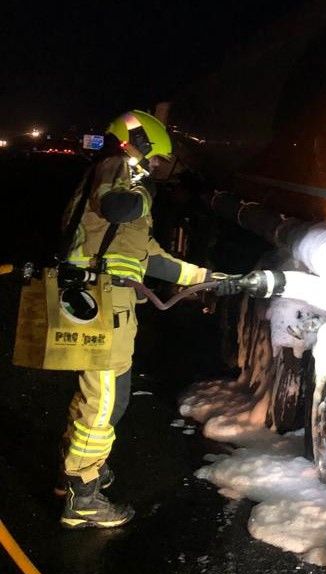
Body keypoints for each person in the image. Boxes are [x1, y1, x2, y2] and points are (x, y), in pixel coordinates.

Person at [56, 110, 239, 528]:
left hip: (112, 304)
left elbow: (150, 257)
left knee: (107, 398)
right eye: (154, 159)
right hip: (99, 302)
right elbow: (119, 206)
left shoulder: (124, 184)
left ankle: (81, 474)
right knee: (101, 403)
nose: (157, 169)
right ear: (138, 143)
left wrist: (207, 278)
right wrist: (141, 181)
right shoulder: (116, 169)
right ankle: (82, 497)